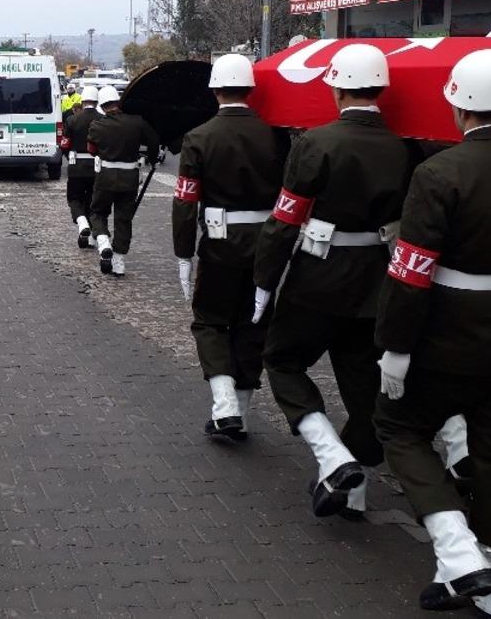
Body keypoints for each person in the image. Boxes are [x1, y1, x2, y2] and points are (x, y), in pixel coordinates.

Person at [374, 49, 491, 616]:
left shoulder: (439, 172)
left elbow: (411, 272)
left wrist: (395, 348)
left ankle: (457, 551)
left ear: (459, 105)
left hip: (449, 340)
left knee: (398, 426)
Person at [254, 43, 411, 519]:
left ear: (338, 89)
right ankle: (354, 493)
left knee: (282, 361)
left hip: (316, 280)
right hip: (376, 283)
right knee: (363, 390)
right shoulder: (407, 146)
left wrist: (265, 280)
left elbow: (285, 220)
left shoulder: (315, 144)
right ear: (380, 89)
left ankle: (331, 455)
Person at [171, 54, 288, 442]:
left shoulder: (199, 137)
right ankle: (242, 411)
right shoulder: (276, 134)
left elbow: (187, 202)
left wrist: (183, 252)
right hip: (267, 243)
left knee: (209, 320)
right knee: (252, 324)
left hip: (220, 244)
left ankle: (224, 407)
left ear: (215, 89)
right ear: (250, 88)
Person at [87, 84, 159, 277]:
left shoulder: (97, 125)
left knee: (97, 212)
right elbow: (153, 142)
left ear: (102, 106)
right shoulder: (137, 122)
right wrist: (151, 158)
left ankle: (103, 244)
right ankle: (119, 262)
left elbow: (92, 150)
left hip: (105, 177)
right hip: (130, 177)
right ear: (118, 102)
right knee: (123, 219)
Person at [60, 85, 101, 247]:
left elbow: (64, 145)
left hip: (76, 165)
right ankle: (90, 235)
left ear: (82, 101)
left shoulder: (72, 120)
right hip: (96, 167)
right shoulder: (102, 119)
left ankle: (82, 223)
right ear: (97, 102)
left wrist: (70, 157)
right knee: (92, 200)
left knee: (74, 198)